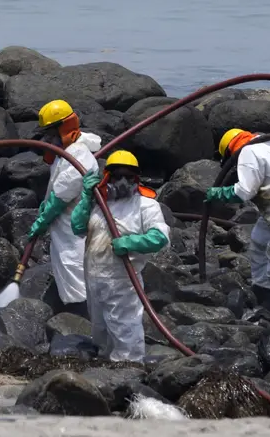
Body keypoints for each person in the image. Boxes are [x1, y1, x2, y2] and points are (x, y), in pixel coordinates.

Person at [71, 150, 169, 362]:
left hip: (123, 280)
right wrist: (86, 197)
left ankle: (129, 367)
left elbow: (160, 237)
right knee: (100, 327)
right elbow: (77, 227)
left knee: (125, 326)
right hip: (94, 277)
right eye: (117, 176)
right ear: (108, 177)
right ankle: (105, 366)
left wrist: (131, 243)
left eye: (128, 176)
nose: (122, 181)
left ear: (136, 178)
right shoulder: (99, 204)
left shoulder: (146, 206)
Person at [205, 128, 270, 310]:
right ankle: (262, 288)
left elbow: (244, 191)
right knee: (259, 240)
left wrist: (221, 193)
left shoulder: (249, 151)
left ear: (229, 151)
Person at [28, 99, 100, 307]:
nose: (47, 138)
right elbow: (55, 189)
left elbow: (62, 195)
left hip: (75, 228)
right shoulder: (63, 154)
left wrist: (43, 218)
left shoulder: (79, 154)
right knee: (68, 266)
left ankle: (82, 315)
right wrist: (45, 207)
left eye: (51, 132)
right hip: (65, 226)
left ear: (65, 128)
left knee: (75, 266)